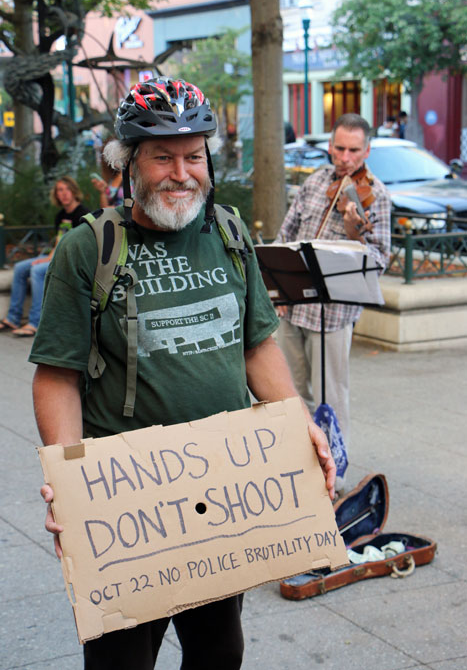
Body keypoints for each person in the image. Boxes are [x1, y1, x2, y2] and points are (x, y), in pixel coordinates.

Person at [29, 77, 336, 670]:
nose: (181, 172)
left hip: (224, 491)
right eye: (161, 156)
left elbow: (257, 345)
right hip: (128, 501)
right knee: (123, 661)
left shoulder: (228, 233)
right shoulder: (88, 248)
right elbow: (57, 375)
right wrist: (65, 483)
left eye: (193, 156)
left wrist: (299, 424)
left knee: (220, 653)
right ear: (128, 163)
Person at [275, 113, 391, 493]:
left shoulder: (377, 195)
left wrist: (354, 224)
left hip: (334, 312)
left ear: (367, 150)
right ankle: (298, 462)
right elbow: (286, 233)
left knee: (331, 396)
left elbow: (380, 259)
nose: (345, 158)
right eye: (339, 148)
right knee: (292, 392)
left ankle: (335, 474)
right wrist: (274, 288)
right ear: (330, 146)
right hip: (292, 304)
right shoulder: (313, 183)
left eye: (354, 151)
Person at [0, 176, 89, 337]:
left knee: (37, 271)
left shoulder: (83, 214)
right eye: (60, 190)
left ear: (74, 191)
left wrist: (49, 259)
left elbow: (80, 245)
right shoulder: (60, 215)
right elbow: (60, 240)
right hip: (58, 254)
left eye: (67, 189)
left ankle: (35, 322)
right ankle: (13, 318)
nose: (64, 194)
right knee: (20, 268)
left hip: (74, 259)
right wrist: (49, 257)